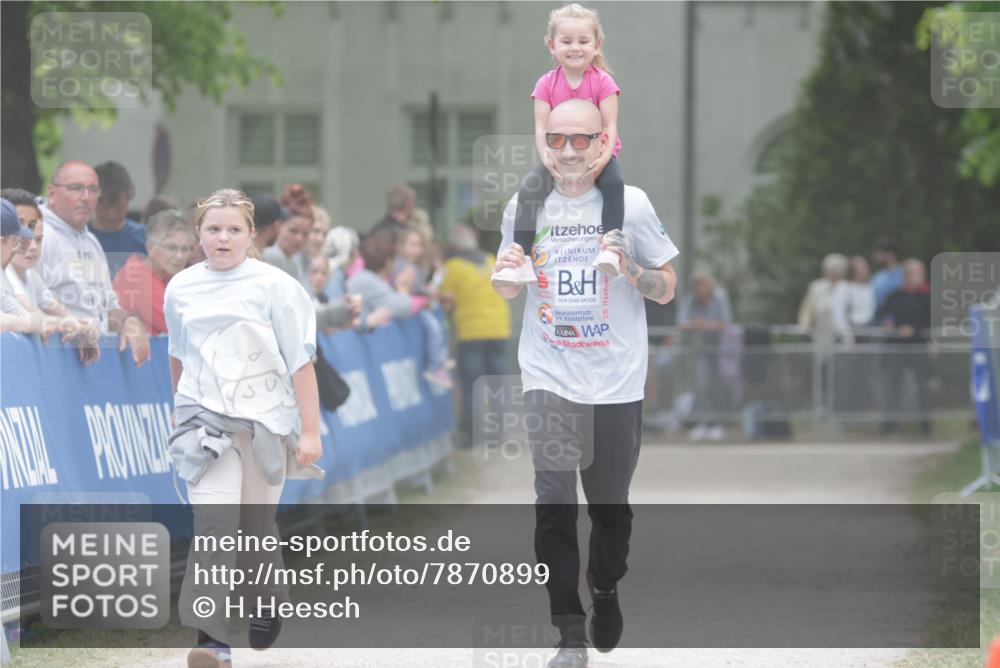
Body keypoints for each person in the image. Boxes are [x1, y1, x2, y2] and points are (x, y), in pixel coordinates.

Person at [492, 99, 678, 668]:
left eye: (582, 140)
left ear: (604, 143)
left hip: (616, 379)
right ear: (543, 143)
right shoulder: (524, 205)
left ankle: (604, 586)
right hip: (548, 373)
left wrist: (633, 272)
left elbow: (667, 287)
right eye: (558, 140)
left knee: (611, 510)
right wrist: (502, 276)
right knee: (551, 503)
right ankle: (568, 632)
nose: (569, 151)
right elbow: (506, 287)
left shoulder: (632, 205)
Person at [164, 189, 323, 667]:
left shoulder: (276, 286)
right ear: (198, 234)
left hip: (263, 423)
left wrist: (310, 431)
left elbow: (301, 363)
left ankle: (266, 599)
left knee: (254, 530)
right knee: (214, 528)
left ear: (252, 234)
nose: (223, 237)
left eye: (234, 229)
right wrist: (180, 411)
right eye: (213, 229)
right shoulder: (182, 288)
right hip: (203, 422)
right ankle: (211, 641)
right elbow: (178, 354)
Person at [493, 3, 623, 290]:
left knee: (614, 185)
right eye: (566, 41)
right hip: (558, 157)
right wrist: (547, 158)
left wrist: (602, 161)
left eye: (583, 41)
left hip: (598, 155)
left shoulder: (603, 82)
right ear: (552, 46)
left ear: (597, 44)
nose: (574, 48)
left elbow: (610, 126)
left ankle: (611, 246)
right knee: (529, 191)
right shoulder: (546, 84)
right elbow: (541, 127)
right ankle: (522, 257)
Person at [37, 160, 151, 366]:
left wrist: (128, 321)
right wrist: (76, 327)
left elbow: (108, 309)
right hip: (51, 364)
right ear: (52, 194)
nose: (86, 197)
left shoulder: (91, 242)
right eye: (75, 188)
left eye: (93, 190)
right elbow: (23, 305)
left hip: (94, 366)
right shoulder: (39, 237)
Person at [2, 190, 100, 362]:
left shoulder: (24, 276)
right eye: (16, 239)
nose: (29, 245)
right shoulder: (7, 273)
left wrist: (81, 327)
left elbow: (44, 315)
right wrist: (66, 325)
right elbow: (26, 318)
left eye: (38, 239)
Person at [439, 224, 511, 448]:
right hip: (499, 328)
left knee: (472, 385)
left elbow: (445, 299)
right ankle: (496, 434)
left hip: (471, 332)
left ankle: (470, 436)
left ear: (454, 246)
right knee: (496, 383)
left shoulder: (452, 267)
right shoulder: (491, 260)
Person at [874, 258, 933, 436]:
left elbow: (931, 321)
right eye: (917, 273)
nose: (921, 276)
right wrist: (889, 323)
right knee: (892, 385)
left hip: (918, 346)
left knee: (923, 386)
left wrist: (914, 330)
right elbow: (881, 315)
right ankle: (889, 425)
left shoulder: (927, 296)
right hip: (896, 347)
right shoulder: (895, 295)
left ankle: (925, 426)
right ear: (907, 275)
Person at [112, 209, 194, 335]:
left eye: (185, 249)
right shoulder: (137, 277)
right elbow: (181, 326)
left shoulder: (168, 277)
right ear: (150, 248)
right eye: (171, 248)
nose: (179, 256)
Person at [677, 269, 732, 441]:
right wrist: (696, 324)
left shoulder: (720, 298)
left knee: (720, 387)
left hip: (722, 351)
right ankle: (702, 423)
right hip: (701, 350)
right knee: (702, 386)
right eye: (697, 285)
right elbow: (682, 324)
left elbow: (726, 324)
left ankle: (720, 424)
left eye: (703, 284)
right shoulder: (690, 301)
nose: (700, 289)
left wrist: (707, 325)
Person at [90, 161, 146, 276]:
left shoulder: (144, 237)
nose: (112, 215)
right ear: (92, 200)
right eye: (105, 207)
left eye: (119, 207)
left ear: (129, 198)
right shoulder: (79, 238)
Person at [262, 211, 312, 283]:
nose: (299, 239)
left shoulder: (296, 261)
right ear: (278, 226)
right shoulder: (271, 255)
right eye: (293, 231)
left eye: (305, 234)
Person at [870, 238, 904, 313]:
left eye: (878, 252)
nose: (875, 254)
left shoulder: (904, 274)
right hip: (878, 315)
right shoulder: (877, 276)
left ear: (890, 253)